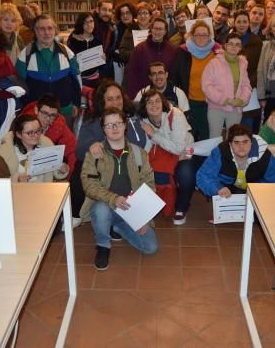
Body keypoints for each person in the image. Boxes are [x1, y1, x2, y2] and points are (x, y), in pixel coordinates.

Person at [81, 107, 158, 271]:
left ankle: (117, 226)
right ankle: (103, 245)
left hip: (131, 209)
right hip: (106, 204)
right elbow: (89, 185)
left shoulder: (140, 154)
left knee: (150, 247)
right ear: (103, 129)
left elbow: (149, 185)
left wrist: (142, 216)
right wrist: (113, 199)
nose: (114, 128)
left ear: (125, 126)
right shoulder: (94, 154)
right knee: (101, 210)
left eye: (118, 123)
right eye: (109, 125)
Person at [74, 80, 147, 221]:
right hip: (105, 170)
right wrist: (91, 144)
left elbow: (140, 141)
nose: (115, 102)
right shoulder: (92, 122)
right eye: (110, 99)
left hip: (131, 165)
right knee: (79, 166)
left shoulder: (133, 115)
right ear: (102, 102)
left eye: (118, 97)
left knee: (150, 243)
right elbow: (79, 150)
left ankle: (123, 216)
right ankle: (79, 212)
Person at [138, 89, 195, 225]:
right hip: (162, 152)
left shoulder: (175, 115)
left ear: (163, 102)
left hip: (183, 152)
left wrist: (154, 134)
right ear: (144, 106)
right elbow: (147, 144)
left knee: (185, 174)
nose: (154, 105)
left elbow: (178, 148)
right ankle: (157, 205)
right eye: (149, 102)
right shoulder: (144, 120)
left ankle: (181, 208)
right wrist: (142, 163)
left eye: (157, 101)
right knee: (148, 171)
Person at [16, 14, 81, 128]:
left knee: (65, 143)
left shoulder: (67, 53)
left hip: (64, 111)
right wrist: (25, 110)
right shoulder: (25, 56)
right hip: (36, 115)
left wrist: (76, 103)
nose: (46, 32)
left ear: (55, 30)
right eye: (42, 29)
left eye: (50, 28)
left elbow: (77, 80)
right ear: (35, 31)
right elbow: (19, 88)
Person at [196, 124, 275, 199]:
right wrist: (218, 189)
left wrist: (257, 191)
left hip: (255, 190)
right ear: (230, 144)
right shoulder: (220, 152)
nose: (241, 146)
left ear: (251, 142)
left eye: (245, 142)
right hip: (226, 190)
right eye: (236, 142)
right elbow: (203, 175)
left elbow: (274, 179)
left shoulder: (264, 155)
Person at [170, 20, 221, 141]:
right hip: (189, 103)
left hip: (210, 104)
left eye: (204, 35)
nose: (201, 37)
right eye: (198, 35)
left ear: (210, 36)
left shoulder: (217, 52)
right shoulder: (183, 52)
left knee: (208, 138)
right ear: (192, 36)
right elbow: (174, 77)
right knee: (188, 138)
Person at [202, 33, 252, 138]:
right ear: (225, 45)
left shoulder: (243, 64)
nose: (234, 46)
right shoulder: (214, 63)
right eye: (231, 44)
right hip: (216, 107)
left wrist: (242, 100)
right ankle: (216, 155)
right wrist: (225, 99)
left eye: (237, 44)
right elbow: (206, 85)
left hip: (235, 107)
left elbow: (246, 85)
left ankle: (230, 155)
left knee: (233, 137)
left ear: (241, 47)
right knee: (214, 138)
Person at [20, 93, 77, 180]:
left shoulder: (59, 125)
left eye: (52, 115)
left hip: (44, 173)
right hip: (21, 171)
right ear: (36, 110)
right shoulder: (22, 123)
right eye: (44, 113)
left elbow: (73, 148)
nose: (47, 118)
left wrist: (66, 175)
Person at [0, 114, 68, 183]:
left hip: (43, 192)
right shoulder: (5, 153)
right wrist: (17, 179)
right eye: (30, 133)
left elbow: (54, 172)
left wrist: (61, 170)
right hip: (17, 193)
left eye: (38, 131)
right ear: (18, 134)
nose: (36, 135)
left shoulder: (46, 145)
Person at [125, 17, 178, 98]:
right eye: (155, 28)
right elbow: (132, 75)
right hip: (145, 96)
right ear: (151, 30)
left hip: (168, 96)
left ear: (165, 32)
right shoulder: (139, 49)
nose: (157, 31)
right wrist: (134, 97)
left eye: (160, 29)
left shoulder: (173, 50)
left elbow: (175, 75)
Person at [231, 9, 264, 133]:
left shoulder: (257, 41)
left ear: (249, 23)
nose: (241, 24)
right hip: (232, 88)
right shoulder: (228, 40)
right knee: (233, 125)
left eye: (244, 21)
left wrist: (249, 83)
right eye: (238, 21)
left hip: (251, 88)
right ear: (234, 23)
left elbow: (259, 66)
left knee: (247, 125)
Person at [67, 12, 106, 89]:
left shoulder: (97, 39)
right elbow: (69, 61)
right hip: (79, 79)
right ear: (81, 24)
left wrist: (103, 59)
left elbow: (100, 66)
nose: (89, 25)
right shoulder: (73, 40)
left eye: (91, 21)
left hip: (95, 79)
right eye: (86, 22)